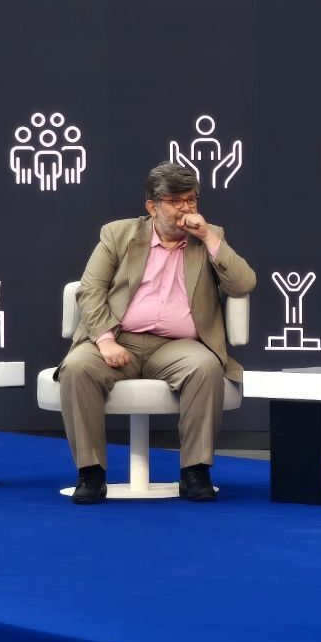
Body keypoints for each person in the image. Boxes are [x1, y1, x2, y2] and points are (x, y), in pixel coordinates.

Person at [57, 162, 256, 504]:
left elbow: (244, 283)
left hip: (178, 346)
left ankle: (195, 471)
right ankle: (90, 473)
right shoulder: (118, 234)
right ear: (152, 206)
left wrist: (209, 238)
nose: (185, 209)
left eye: (191, 200)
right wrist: (105, 340)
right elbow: (90, 291)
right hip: (118, 339)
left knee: (205, 367)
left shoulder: (209, 237)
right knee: (77, 368)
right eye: (175, 202)